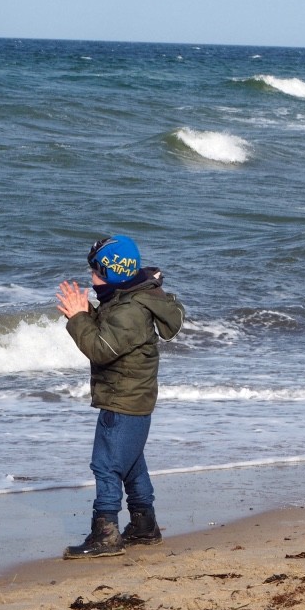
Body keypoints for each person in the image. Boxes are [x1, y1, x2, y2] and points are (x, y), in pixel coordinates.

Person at [55, 235, 185, 559]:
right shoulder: (130, 298)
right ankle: (144, 524)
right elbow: (110, 330)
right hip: (133, 397)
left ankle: (106, 532)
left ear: (113, 273)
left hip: (123, 401)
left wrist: (77, 318)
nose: (92, 278)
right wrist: (86, 310)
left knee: (106, 465)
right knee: (130, 464)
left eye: (96, 272)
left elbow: (102, 348)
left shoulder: (130, 310)